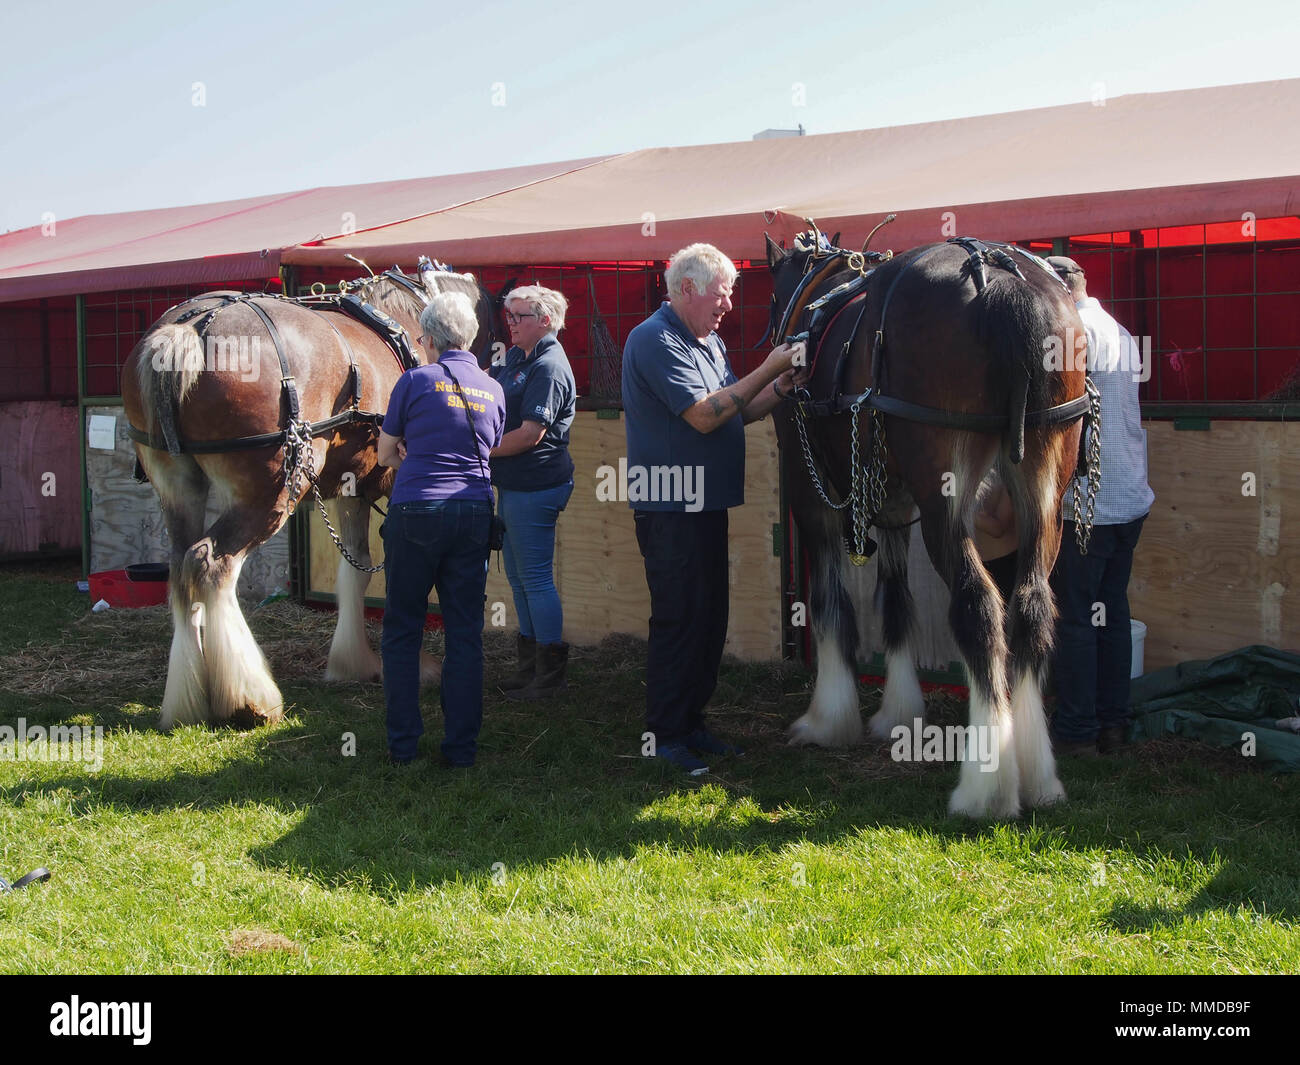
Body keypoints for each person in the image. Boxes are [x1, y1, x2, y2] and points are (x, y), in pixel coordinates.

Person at [622, 242, 805, 774]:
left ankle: (691, 722)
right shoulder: (654, 339)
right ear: (685, 289)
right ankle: (664, 733)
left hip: (703, 503)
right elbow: (704, 417)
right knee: (680, 619)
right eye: (721, 296)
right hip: (670, 506)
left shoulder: (709, 343)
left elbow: (736, 411)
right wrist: (767, 366)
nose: (728, 306)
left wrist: (780, 386)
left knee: (707, 618)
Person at [377, 290, 506, 767]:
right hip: (473, 512)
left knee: (403, 629)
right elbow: (488, 448)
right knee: (466, 632)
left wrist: (412, 449)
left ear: (428, 337)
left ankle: (404, 748)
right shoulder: (493, 389)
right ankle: (460, 750)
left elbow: (386, 453)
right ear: (469, 337)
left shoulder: (414, 380)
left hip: (416, 512)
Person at [1045, 256, 1155, 757]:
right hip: (1129, 496)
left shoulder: (1071, 333)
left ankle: (1075, 732)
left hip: (1086, 505)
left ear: (1058, 290)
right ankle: (1114, 725)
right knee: (1110, 614)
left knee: (1075, 620)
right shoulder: (1121, 331)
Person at [488, 285, 577, 699]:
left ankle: (549, 677)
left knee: (535, 578)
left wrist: (476, 451)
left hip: (536, 484)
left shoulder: (549, 365)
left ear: (545, 320)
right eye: (509, 315)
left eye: (519, 316)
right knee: (522, 579)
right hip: (516, 484)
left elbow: (529, 434)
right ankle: (531, 670)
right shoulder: (519, 358)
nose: (511, 323)